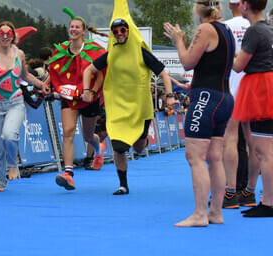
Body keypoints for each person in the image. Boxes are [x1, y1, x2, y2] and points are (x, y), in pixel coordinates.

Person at [83, 15, 174, 195]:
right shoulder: (111, 54)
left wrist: (170, 96)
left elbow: (163, 73)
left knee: (139, 148)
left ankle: (144, 140)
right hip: (118, 108)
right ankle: (123, 185)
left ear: (128, 31)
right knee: (118, 147)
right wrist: (88, 90)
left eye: (122, 30)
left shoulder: (141, 52)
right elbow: (89, 70)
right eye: (115, 32)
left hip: (141, 109)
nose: (119, 34)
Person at [164, 0, 235, 226]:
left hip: (206, 99)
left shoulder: (205, 29)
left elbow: (187, 63)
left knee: (195, 157)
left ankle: (199, 214)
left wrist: (179, 41)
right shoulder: (227, 30)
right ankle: (216, 212)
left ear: (197, 9)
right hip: (224, 98)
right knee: (214, 158)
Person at [0, 21, 49, 192]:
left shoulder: (20, 54)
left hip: (15, 102)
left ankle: (13, 163)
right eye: (1, 33)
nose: (4, 36)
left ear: (13, 36)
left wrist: (41, 85)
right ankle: (1, 181)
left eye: (8, 33)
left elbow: (25, 76)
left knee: (9, 135)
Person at [46, 7, 107, 190]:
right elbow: (55, 70)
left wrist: (92, 93)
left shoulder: (95, 50)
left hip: (89, 98)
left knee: (88, 135)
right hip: (69, 98)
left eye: (77, 27)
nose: (73, 30)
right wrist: (46, 83)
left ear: (84, 31)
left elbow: (102, 75)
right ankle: (68, 173)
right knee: (68, 131)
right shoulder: (62, 49)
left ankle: (98, 148)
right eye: (71, 27)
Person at [231, 0, 273, 217]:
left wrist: (223, 53)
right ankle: (266, 199)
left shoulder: (255, 32)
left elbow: (239, 66)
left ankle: (268, 202)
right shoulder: (268, 30)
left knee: (265, 152)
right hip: (265, 87)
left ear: (246, 5)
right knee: (262, 150)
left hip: (261, 90)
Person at [222, 0, 259, 209]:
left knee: (230, 141)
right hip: (253, 90)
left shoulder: (225, 27)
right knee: (252, 143)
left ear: (230, 6)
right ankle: (249, 191)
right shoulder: (255, 28)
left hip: (230, 89)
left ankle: (231, 192)